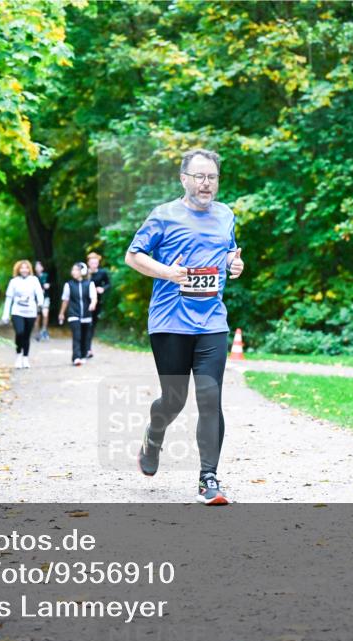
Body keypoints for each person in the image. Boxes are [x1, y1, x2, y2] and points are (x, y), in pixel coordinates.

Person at [124, 148, 244, 505]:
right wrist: (167, 272)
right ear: (184, 179)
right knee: (174, 400)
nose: (206, 184)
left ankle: (209, 478)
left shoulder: (226, 215)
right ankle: (154, 434)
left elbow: (227, 251)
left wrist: (233, 264)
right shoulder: (164, 215)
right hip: (170, 322)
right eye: (199, 177)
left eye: (212, 177)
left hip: (212, 321)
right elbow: (133, 256)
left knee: (210, 397)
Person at [2, 260, 45, 370]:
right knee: (19, 332)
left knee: (26, 335)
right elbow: (9, 298)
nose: (24, 270)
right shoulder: (14, 281)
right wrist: (5, 314)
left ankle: (25, 357)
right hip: (17, 311)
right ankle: (18, 355)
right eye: (22, 268)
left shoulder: (34, 280)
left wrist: (40, 303)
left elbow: (39, 293)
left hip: (30, 311)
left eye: (26, 268)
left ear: (29, 269)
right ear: (18, 269)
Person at [58, 262, 97, 366]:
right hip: (73, 314)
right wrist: (61, 313)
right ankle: (76, 357)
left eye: (76, 270)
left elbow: (94, 297)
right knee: (77, 335)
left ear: (82, 272)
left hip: (86, 314)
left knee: (85, 336)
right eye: (73, 270)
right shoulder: (69, 285)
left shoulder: (89, 284)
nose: (73, 272)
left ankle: (83, 355)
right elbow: (65, 300)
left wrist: (92, 304)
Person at [84, 252, 111, 358]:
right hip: (85, 303)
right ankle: (84, 348)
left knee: (92, 325)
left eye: (96, 263)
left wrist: (102, 289)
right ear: (88, 263)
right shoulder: (84, 273)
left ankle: (88, 349)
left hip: (97, 303)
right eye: (92, 263)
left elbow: (108, 284)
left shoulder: (102, 273)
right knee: (85, 325)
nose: (94, 265)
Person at [34, 260, 52, 342]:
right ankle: (37, 333)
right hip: (36, 299)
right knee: (37, 317)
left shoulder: (46, 276)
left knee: (45, 314)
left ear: (42, 268)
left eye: (39, 266)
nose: (38, 268)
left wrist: (48, 286)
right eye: (36, 266)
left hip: (45, 298)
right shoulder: (33, 277)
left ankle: (44, 330)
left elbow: (50, 284)